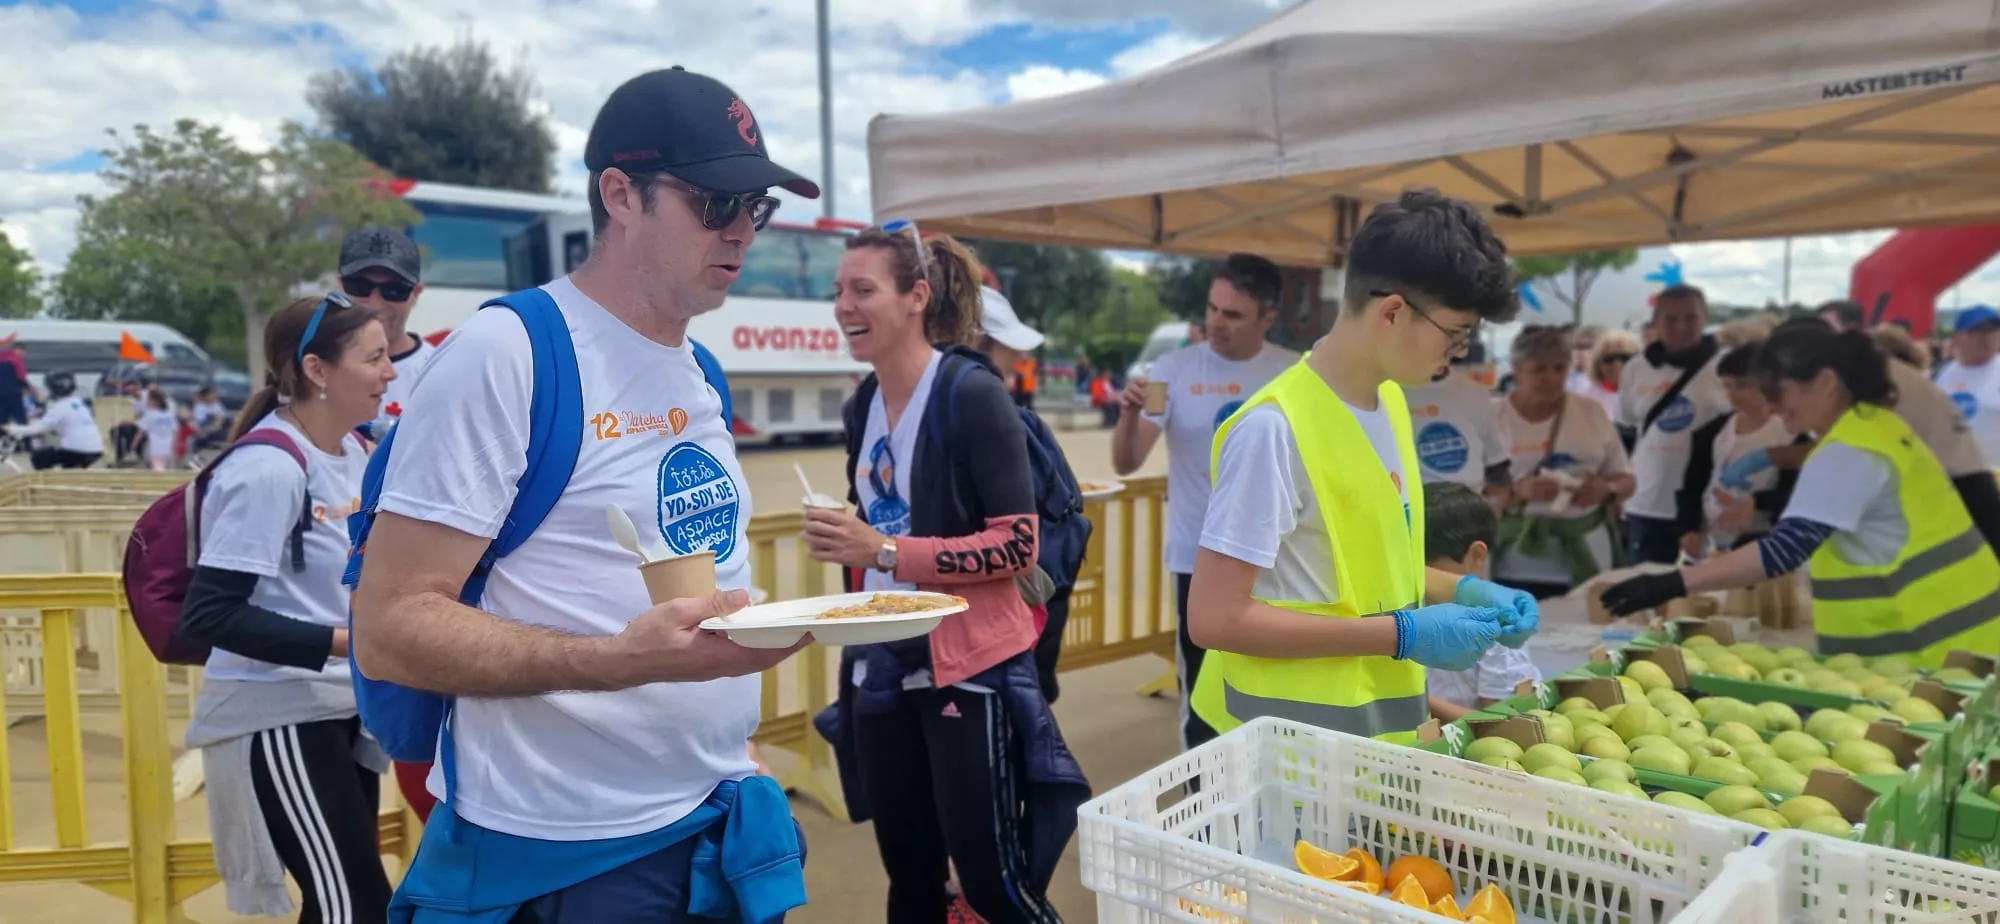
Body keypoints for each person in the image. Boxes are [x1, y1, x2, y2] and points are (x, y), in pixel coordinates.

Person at [349, 67, 816, 922]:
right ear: (620, 194)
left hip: (714, 820)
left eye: (760, 207)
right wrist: (620, 663)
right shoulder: (510, 352)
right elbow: (389, 628)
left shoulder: (699, 368)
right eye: (717, 201)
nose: (744, 230)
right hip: (563, 858)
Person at [1185, 189, 1539, 744]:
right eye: (1456, 333)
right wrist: (1398, 634)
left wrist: (1463, 591)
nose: (1461, 352)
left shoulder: (1389, 401)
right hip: (1286, 751)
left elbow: (1368, 571)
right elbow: (1214, 618)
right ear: (1393, 312)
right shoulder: (1273, 430)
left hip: (1371, 744)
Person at [808, 225, 1083, 924]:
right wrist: (854, 552)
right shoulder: (860, 407)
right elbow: (874, 520)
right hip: (881, 665)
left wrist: (885, 552)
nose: (843, 306)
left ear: (915, 297)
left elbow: (1016, 545)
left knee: (992, 888)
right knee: (910, 879)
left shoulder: (970, 394)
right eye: (838, 291)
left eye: (862, 289)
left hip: (968, 667)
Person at [179, 293, 397, 922]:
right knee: (350, 908)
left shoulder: (354, 453)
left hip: (336, 707)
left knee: (351, 904)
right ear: (317, 371)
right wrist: (349, 642)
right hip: (276, 712)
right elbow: (210, 615)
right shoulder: (268, 470)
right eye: (375, 357)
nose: (390, 372)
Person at [1600, 325, 2000, 666]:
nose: (1772, 407)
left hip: (1927, 650)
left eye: (1778, 390)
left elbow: (1783, 550)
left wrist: (1672, 583)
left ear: (1825, 382)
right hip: (1965, 635)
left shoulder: (1848, 451)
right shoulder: (1874, 426)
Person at [1110, 253, 1298, 751]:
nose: (1216, 322)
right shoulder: (1167, 370)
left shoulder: (1295, 374)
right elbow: (1127, 463)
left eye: (1233, 314)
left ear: (1268, 318)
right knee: (1202, 692)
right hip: (1198, 556)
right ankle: (1202, 797)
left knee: (1271, 687)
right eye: (1213, 309)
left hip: (1277, 560)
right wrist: (1128, 415)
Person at [974, 284, 1090, 702]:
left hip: (1003, 628)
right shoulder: (1009, 419)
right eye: (1009, 348)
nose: (1020, 358)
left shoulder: (993, 418)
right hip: (1029, 612)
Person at [1492, 326, 1635, 599]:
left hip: (1587, 554)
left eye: (1560, 368)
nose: (1552, 378)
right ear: (1516, 368)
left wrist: (1605, 490)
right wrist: (1517, 492)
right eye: (1539, 369)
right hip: (1515, 560)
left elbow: (1626, 479)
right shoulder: (1493, 417)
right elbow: (1471, 492)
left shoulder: (1590, 411)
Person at [1617, 284, 1727, 564]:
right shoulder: (1636, 369)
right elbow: (1625, 430)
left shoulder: (1724, 367)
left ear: (1705, 318)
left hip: (1706, 508)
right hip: (1646, 503)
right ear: (1655, 322)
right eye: (1671, 319)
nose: (1681, 327)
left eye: (1691, 318)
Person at [1422, 482, 1542, 721]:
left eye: (1430, 569)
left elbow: (1503, 723)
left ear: (1476, 554)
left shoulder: (1496, 623)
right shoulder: (1408, 606)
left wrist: (1417, 699)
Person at [1681, 343, 1803, 557]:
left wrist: (1758, 501)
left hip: (1763, 540)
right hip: (1712, 540)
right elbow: (1694, 482)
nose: (1732, 394)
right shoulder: (1714, 430)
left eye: (1743, 385)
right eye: (1727, 385)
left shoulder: (1791, 434)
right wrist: (1689, 527)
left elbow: (1797, 493)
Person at [338, 226, 437, 442]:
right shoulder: (316, 368)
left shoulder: (438, 371)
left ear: (415, 293)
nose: (374, 303)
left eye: (394, 290)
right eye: (360, 286)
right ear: (340, 284)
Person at [1404, 355, 1510, 508]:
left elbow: (1497, 468)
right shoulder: (1386, 392)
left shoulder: (1475, 393)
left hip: (1470, 514)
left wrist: (1492, 509)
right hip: (1416, 515)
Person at [1933, 305, 2000, 465]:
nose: (1987, 337)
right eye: (1977, 330)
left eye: (1993, 330)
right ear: (1956, 338)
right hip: (1954, 476)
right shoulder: (1936, 375)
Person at [5, 371, 103, 469]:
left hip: (76, 450)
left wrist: (9, 429)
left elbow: (36, 429)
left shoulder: (59, 407)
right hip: (96, 448)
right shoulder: (79, 403)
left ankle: (44, 483)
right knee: (68, 467)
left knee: (40, 457)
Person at [1579, 330, 1640, 420]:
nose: (1617, 364)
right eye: (1609, 359)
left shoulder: (1651, 394)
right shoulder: (1585, 400)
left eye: (1625, 358)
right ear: (1597, 365)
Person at [137, 388, 180, 470]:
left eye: (148, 400)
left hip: (155, 447)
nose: (146, 402)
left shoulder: (149, 414)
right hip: (168, 446)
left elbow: (140, 431)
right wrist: (176, 445)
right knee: (166, 467)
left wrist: (133, 445)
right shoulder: (169, 414)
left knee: (157, 467)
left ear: (155, 401)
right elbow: (176, 431)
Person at [0, 333, 27, 426]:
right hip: (14, 395)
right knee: (21, 421)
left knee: (2, 422)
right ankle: (25, 440)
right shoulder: (15, 359)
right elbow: (21, 377)